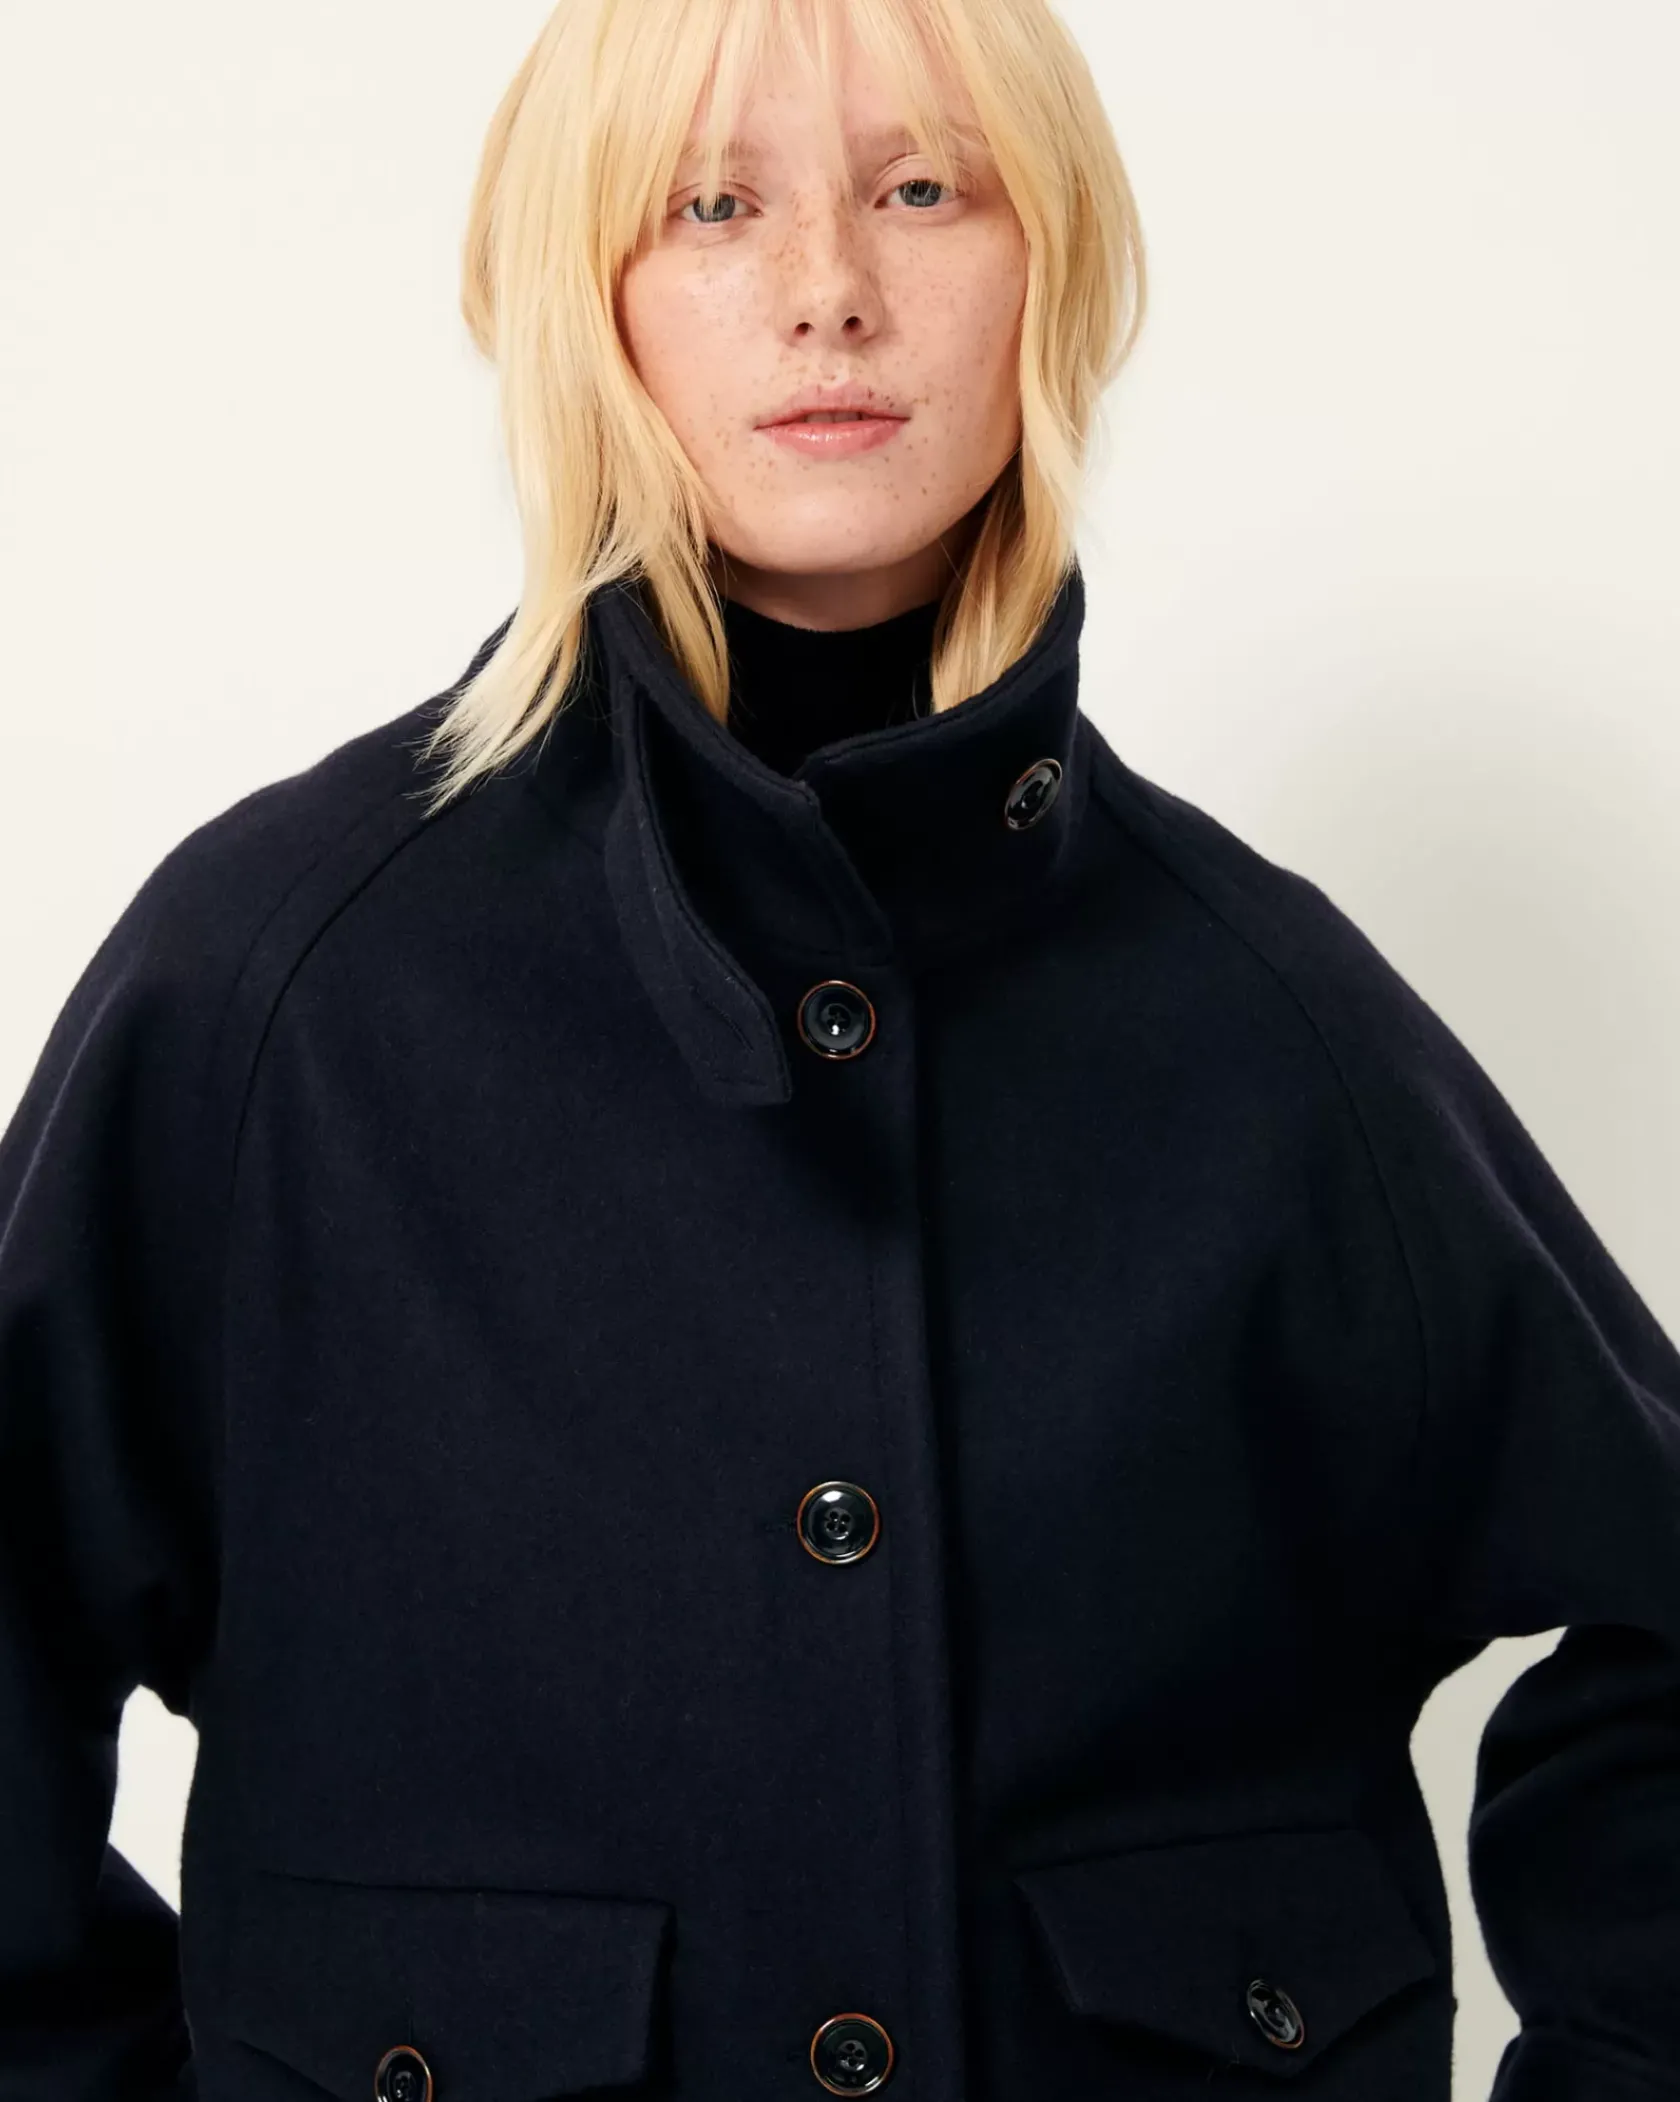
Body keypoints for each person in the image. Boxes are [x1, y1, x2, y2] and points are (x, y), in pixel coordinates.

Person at [2, 1, 1677, 2098]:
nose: (830, 291)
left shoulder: (1270, 1019)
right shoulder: (279, 991)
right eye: (714, 206)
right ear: (583, 291)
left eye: (924, 188)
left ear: (1052, 262)